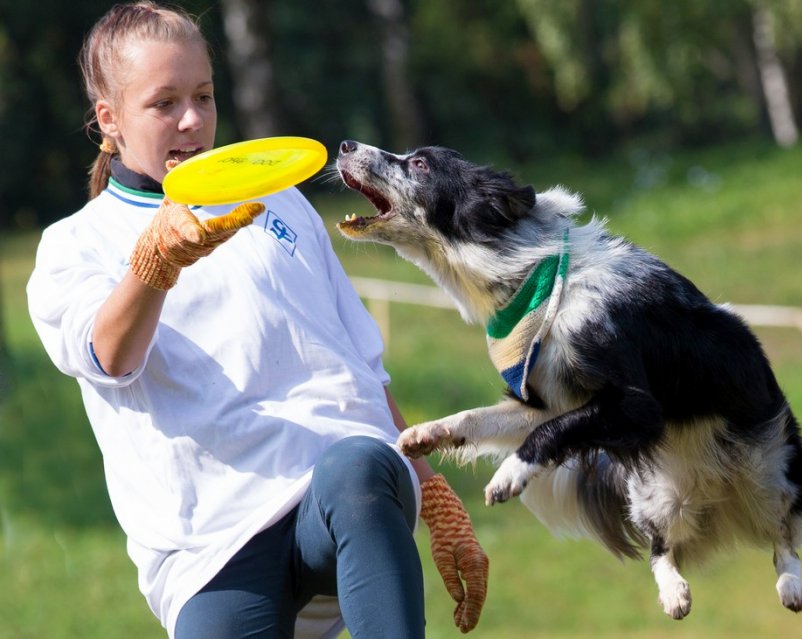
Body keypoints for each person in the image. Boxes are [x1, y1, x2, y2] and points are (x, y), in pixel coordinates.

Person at [26, 2, 488, 638]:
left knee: (357, 464)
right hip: (210, 550)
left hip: (340, 499)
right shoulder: (75, 245)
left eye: (205, 96)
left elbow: (358, 364)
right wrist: (153, 263)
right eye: (164, 103)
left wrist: (431, 488)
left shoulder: (279, 200)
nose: (192, 120)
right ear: (110, 120)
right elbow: (109, 356)